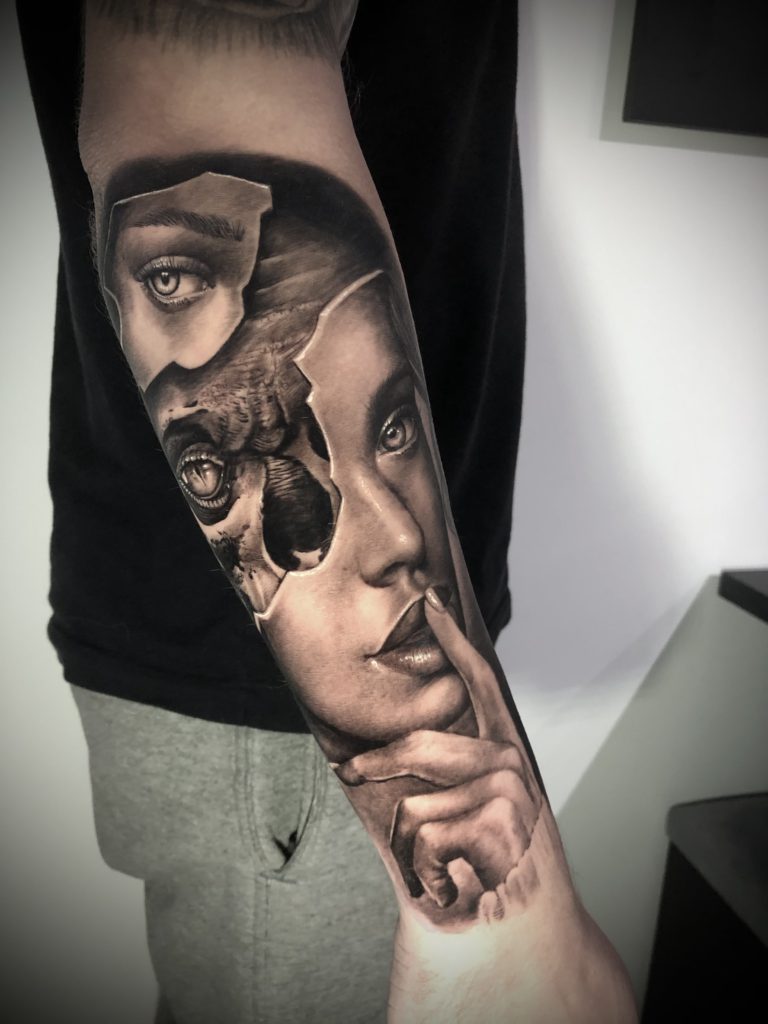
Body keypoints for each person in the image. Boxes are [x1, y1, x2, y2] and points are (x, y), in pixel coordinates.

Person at [20, 1, 637, 1020]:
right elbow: (196, 84)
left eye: (387, 430)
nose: (395, 537)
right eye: (281, 451)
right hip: (280, 711)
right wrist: (499, 913)